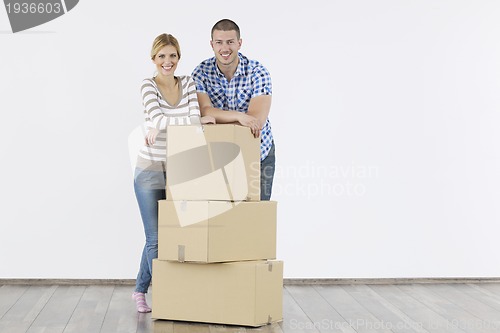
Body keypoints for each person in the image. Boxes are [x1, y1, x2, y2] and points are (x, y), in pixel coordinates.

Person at [132, 33, 214, 313]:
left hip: (180, 167)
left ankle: (140, 288)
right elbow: (163, 119)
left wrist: (170, 123)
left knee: (172, 234)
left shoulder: (188, 82)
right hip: (149, 170)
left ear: (178, 57)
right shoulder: (147, 85)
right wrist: (181, 121)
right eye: (162, 57)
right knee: (156, 238)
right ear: (153, 59)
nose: (168, 62)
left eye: (173, 56)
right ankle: (159, 296)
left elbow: (193, 120)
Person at [192, 19, 275, 201]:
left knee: (256, 217)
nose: (225, 48)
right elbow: (205, 111)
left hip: (258, 152)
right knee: (224, 221)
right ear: (212, 44)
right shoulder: (200, 73)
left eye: (230, 42)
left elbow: (255, 122)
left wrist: (218, 117)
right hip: (218, 156)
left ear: (239, 43)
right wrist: (239, 116)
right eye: (219, 42)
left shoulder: (258, 72)